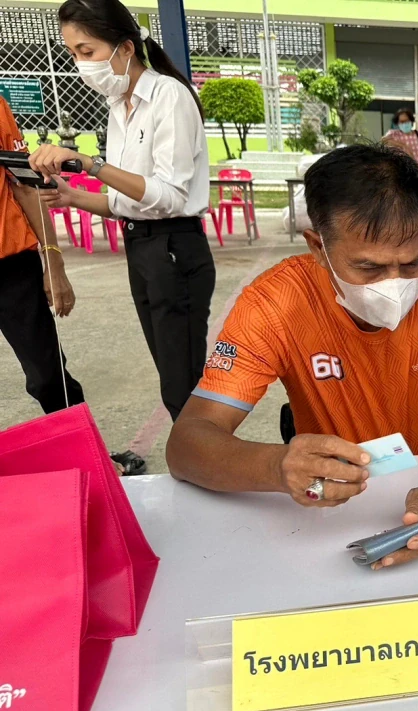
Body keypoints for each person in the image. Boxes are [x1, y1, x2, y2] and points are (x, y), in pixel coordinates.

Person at [165, 144, 418, 569]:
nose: (394, 284)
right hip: (330, 518)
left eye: (413, 261)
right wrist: (275, 465)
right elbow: (186, 443)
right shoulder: (275, 303)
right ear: (317, 246)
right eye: (368, 268)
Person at [31, 0, 215, 431]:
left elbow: (168, 197)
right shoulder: (121, 106)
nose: (80, 64)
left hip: (174, 248)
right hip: (143, 246)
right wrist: (72, 197)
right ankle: (197, 465)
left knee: (182, 383)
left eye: (88, 51)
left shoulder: (169, 96)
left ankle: (205, 469)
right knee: (172, 379)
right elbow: (125, 202)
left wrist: (89, 163)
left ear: (125, 48)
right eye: (73, 54)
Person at [0, 96, 80, 412]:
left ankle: (89, 458)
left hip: (11, 268)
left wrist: (54, 264)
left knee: (48, 378)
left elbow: (23, 186)